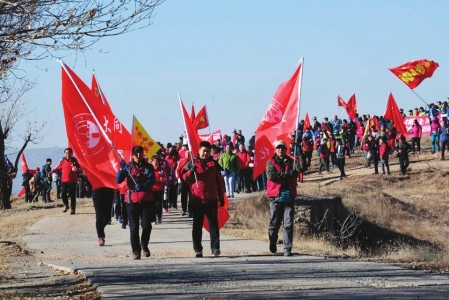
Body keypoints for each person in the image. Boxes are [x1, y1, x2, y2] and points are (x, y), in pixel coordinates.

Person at [181, 141, 225, 258]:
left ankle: (215, 248)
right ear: (199, 151)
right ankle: (198, 250)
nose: (205, 153)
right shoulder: (192, 163)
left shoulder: (214, 164)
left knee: (214, 225)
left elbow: (220, 182)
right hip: (197, 199)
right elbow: (183, 178)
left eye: (208, 151)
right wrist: (191, 171)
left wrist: (221, 197)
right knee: (197, 226)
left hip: (211, 199)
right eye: (203, 151)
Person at [116, 145, 155, 260]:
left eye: (141, 153)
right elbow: (118, 180)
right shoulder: (128, 167)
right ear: (133, 155)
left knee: (146, 225)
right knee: (134, 228)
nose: (139, 155)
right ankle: (136, 251)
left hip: (146, 199)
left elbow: (152, 180)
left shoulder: (148, 167)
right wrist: (122, 170)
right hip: (132, 200)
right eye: (136, 153)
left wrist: (142, 186)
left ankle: (144, 244)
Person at [266, 140, 300, 257]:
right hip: (275, 197)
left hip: (289, 197)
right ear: (275, 150)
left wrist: (299, 152)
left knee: (288, 224)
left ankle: (287, 249)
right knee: (274, 224)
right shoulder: (270, 162)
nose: (280, 150)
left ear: (286, 150)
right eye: (278, 148)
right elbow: (272, 176)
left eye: (283, 148)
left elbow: (301, 168)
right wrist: (287, 174)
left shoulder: (292, 161)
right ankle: (272, 240)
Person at [50, 148, 82, 214]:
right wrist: (51, 171)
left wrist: (77, 170)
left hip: (72, 181)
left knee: (73, 196)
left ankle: (73, 209)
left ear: (71, 153)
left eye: (68, 152)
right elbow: (58, 168)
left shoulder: (74, 161)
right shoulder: (62, 161)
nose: (67, 154)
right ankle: (66, 205)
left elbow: (81, 169)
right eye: (66, 152)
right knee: (63, 194)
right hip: (64, 180)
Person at [150, 154, 167, 225]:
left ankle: (159, 217)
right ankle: (153, 219)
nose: (155, 162)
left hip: (159, 189)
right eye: (154, 161)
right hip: (151, 189)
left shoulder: (162, 169)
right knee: (152, 205)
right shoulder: (150, 169)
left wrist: (161, 179)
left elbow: (165, 179)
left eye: (156, 161)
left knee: (159, 204)